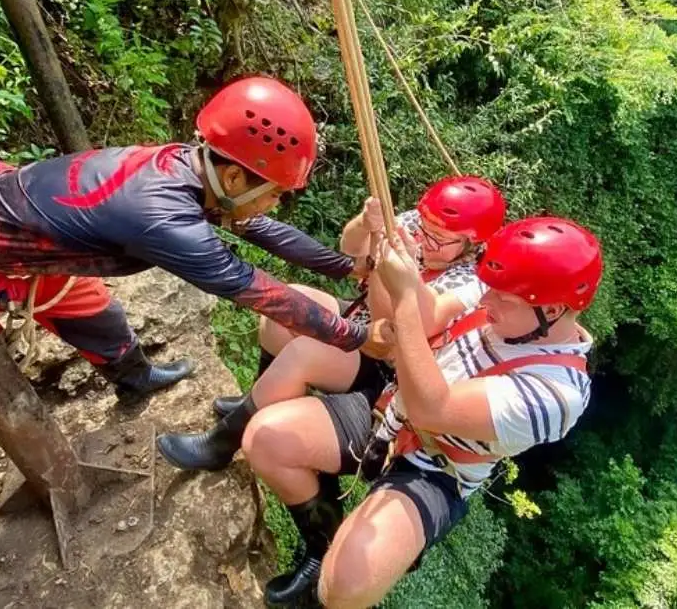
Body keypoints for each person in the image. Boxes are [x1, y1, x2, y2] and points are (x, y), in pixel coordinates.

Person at [0, 76, 370, 608]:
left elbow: (264, 232)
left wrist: (344, 265)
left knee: (95, 313)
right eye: (272, 191)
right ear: (232, 174)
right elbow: (259, 292)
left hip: (21, 246)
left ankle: (134, 378)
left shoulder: (190, 166)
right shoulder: (160, 214)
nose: (272, 203)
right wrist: (360, 336)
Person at [240, 216, 602, 607]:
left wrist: (408, 301)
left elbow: (432, 409)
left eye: (504, 300)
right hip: (391, 414)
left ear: (551, 310)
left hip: (437, 469)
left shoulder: (558, 393)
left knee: (347, 584)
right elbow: (423, 319)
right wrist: (394, 265)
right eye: (490, 290)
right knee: (267, 440)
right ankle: (319, 543)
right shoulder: (497, 296)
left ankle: (320, 593)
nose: (485, 302)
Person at [155, 176, 506, 473]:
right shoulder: (420, 222)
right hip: (370, 320)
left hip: (392, 360)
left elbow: (412, 322)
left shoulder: (475, 278)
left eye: (440, 240)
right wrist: (368, 225)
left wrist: (399, 267)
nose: (427, 240)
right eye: (425, 229)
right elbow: (350, 246)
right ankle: (258, 398)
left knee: (305, 352)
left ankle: (221, 444)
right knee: (288, 308)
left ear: (470, 244)